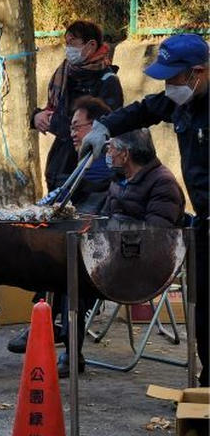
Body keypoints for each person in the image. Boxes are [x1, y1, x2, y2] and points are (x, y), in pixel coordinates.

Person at [81, 33, 208, 385]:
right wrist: (104, 127)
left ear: (198, 72)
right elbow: (145, 110)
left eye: (174, 77)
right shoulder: (183, 101)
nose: (169, 85)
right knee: (204, 312)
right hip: (205, 223)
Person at [9, 96, 115, 376]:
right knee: (51, 260)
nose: (71, 133)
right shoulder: (86, 160)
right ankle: (45, 326)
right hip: (79, 245)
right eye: (70, 126)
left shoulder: (105, 163)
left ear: (96, 127)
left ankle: (68, 346)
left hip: (107, 253)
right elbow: (61, 197)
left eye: (77, 127)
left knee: (67, 273)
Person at [32, 20, 123, 192]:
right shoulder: (65, 73)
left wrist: (55, 122)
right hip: (58, 166)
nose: (67, 48)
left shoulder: (107, 80)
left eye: (72, 42)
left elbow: (104, 124)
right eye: (66, 43)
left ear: (91, 45)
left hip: (87, 171)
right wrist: (37, 116)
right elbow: (53, 108)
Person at [103, 129, 185, 227]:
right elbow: (104, 218)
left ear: (125, 154)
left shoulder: (163, 183)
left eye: (111, 148)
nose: (108, 152)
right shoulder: (118, 179)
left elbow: (156, 231)